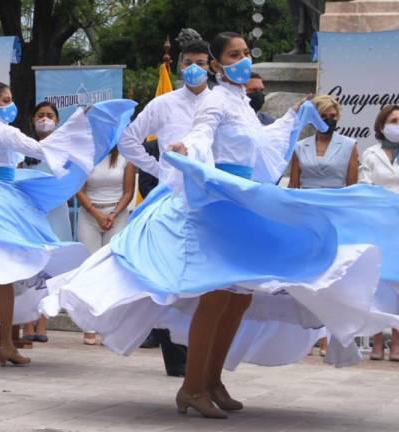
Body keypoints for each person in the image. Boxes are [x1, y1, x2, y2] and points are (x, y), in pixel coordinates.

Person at [43, 31, 399, 419]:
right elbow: (202, 133)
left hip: (241, 198)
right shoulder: (214, 100)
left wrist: (295, 116)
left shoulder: (242, 102)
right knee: (216, 297)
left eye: (246, 52)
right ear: (217, 63)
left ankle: (211, 381)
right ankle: (192, 386)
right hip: (217, 201)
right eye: (233, 54)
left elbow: (262, 148)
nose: (243, 59)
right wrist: (184, 152)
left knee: (238, 297)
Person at [0, 81, 134, 367]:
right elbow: (38, 148)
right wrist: (78, 125)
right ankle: (6, 346)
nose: (11, 104)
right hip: (4, 201)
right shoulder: (2, 131)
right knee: (6, 277)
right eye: (6, 99)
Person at [115, 40, 212, 375]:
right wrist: (159, 170)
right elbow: (128, 139)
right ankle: (176, 354)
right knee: (174, 274)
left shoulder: (221, 102)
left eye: (201, 61)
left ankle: (206, 358)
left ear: (211, 65)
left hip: (213, 200)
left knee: (208, 278)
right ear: (181, 66)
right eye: (189, 62)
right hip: (173, 198)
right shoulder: (164, 103)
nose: (195, 68)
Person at [288, 95, 358, 357]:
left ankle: (330, 335)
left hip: (336, 215)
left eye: (333, 115)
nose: (329, 119)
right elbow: (294, 185)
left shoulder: (350, 144)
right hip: (306, 215)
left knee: (333, 276)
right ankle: (306, 335)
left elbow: (351, 186)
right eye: (324, 114)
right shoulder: (300, 146)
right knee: (306, 276)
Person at [75, 147, 136, 346]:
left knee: (111, 269)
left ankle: (108, 327)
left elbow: (128, 191)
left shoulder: (125, 158)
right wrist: (96, 214)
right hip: (89, 214)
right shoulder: (86, 154)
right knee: (90, 267)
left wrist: (113, 214)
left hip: (116, 215)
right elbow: (79, 189)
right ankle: (89, 326)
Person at [21, 101, 68, 344]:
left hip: (55, 212)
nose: (45, 119)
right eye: (40, 115)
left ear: (57, 121)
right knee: (30, 266)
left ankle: (42, 322)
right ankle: (26, 323)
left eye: (50, 115)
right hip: (31, 212)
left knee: (51, 266)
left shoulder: (63, 150)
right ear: (33, 119)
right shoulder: (24, 147)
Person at [359, 104, 399, 362]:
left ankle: (396, 342)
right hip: (378, 224)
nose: (397, 125)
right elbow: (365, 187)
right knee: (378, 284)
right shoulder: (371, 154)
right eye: (394, 120)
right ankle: (375, 342)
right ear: (382, 125)